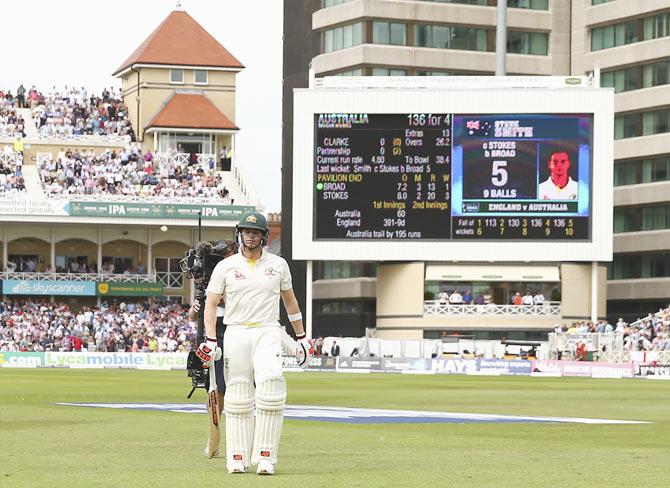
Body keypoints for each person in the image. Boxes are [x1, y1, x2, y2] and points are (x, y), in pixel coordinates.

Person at [198, 211, 311, 476]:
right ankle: (236, 457)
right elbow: (211, 304)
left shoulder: (278, 265)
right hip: (237, 331)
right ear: (240, 234)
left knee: (271, 385)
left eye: (255, 232)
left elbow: (290, 301)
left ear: (263, 236)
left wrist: (302, 337)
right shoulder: (225, 267)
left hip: (268, 330)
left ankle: (265, 457)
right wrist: (211, 339)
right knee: (238, 394)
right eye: (246, 232)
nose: (250, 236)